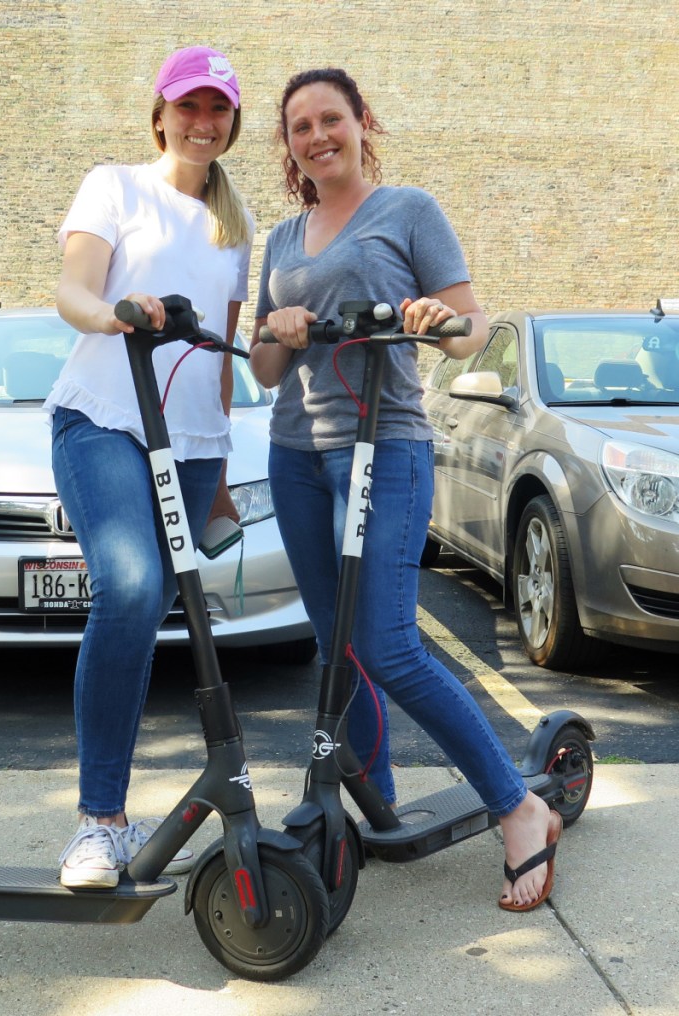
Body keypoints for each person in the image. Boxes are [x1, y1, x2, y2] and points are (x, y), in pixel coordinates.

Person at [250, 67, 561, 912]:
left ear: (361, 124)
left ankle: (519, 805)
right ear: (288, 143)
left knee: (386, 645)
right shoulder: (280, 238)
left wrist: (432, 317)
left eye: (331, 120)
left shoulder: (409, 211)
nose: (317, 136)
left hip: (385, 447)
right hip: (298, 455)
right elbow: (265, 367)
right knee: (334, 648)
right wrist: (274, 331)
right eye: (300, 126)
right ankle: (371, 796)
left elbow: (470, 331)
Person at [45, 46, 253, 889]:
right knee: (129, 590)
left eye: (219, 109)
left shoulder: (237, 229)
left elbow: (222, 362)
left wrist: (227, 465)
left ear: (232, 121)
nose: (203, 122)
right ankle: (101, 822)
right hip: (102, 417)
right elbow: (71, 290)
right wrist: (116, 314)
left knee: (172, 612)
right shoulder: (115, 185)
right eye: (189, 105)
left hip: (193, 444)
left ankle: (210, 795)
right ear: (159, 113)